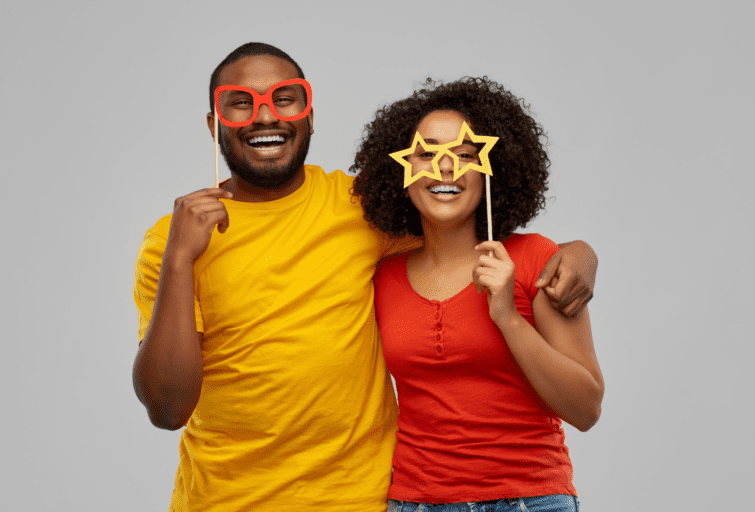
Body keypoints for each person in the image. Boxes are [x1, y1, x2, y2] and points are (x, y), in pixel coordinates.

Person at [132, 43, 599, 512]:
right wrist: (180, 258)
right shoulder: (172, 243)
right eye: (241, 103)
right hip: (224, 501)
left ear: (309, 116)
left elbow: (454, 229)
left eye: (284, 99)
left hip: (362, 500)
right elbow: (167, 409)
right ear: (215, 124)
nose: (266, 116)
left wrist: (578, 253)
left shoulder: (360, 210)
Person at [351, 77, 604, 512]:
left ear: (490, 170)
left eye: (465, 154)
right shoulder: (381, 277)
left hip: (529, 501)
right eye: (426, 153)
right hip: (415, 502)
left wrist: (508, 317)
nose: (445, 168)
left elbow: (586, 410)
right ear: (402, 174)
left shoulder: (534, 259)